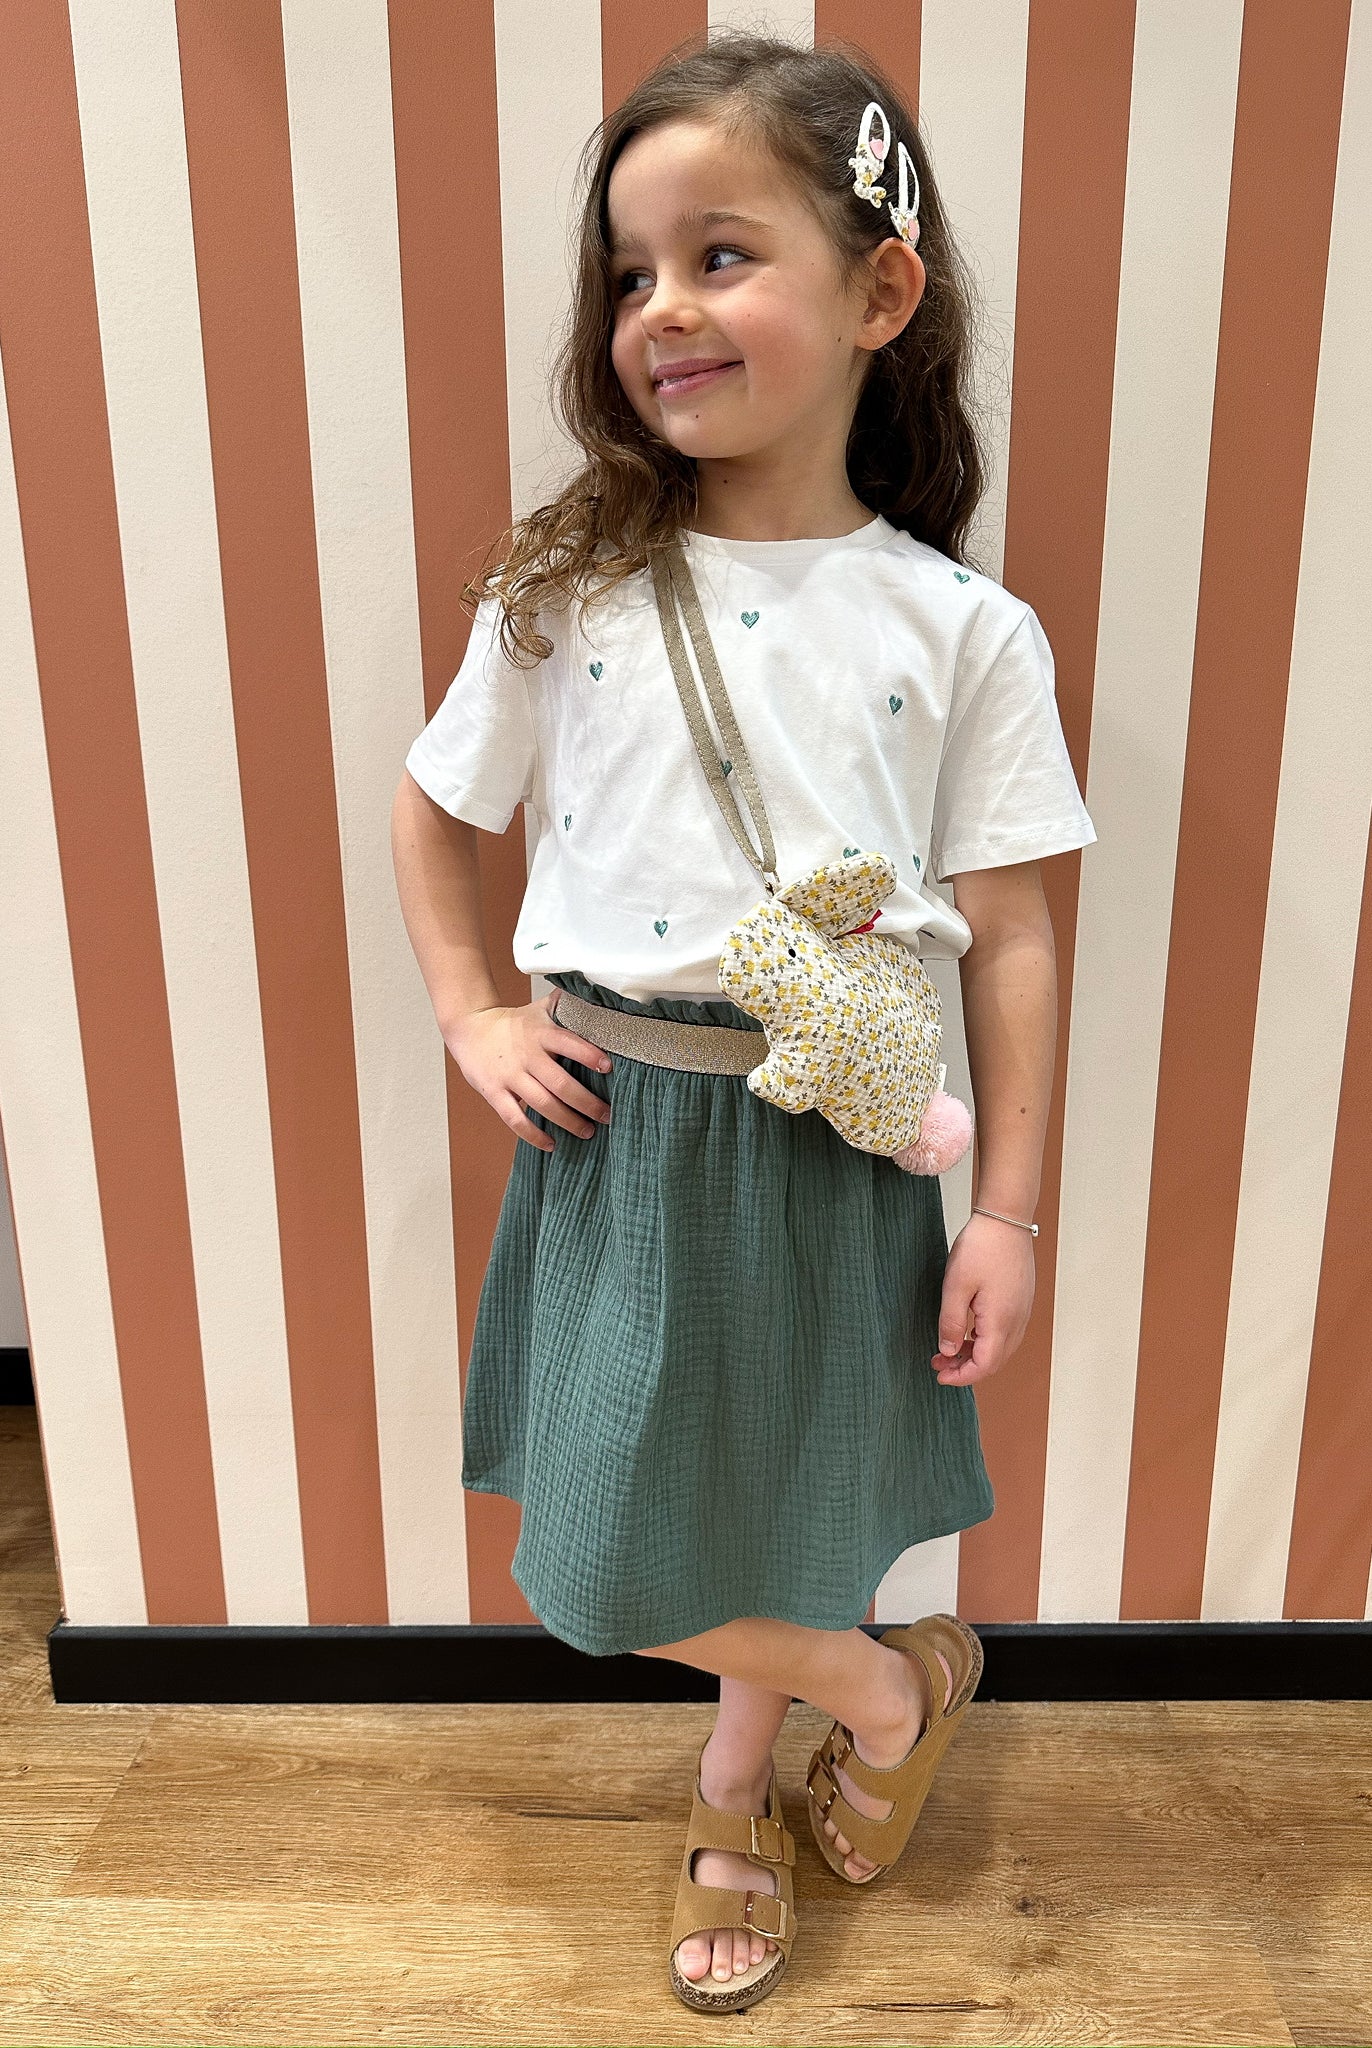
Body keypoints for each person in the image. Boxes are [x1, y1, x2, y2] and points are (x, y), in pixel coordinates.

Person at [391, 30, 1096, 2016]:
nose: (660, 309)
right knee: (616, 1552)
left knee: (783, 1505)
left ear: (880, 292)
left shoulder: (960, 628)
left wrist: (1009, 1210)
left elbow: (1014, 933)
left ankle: (731, 1785)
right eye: (628, 273)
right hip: (619, 1125)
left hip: (840, 1141)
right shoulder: (569, 583)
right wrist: (469, 1010)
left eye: (718, 254)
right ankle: (888, 1691)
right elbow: (433, 809)